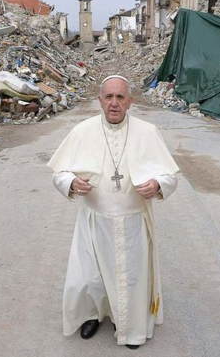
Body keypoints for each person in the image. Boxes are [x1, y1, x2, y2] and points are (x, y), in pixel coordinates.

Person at [47, 75, 179, 349]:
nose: (114, 103)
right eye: (109, 97)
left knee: (131, 277)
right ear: (100, 100)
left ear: (130, 101)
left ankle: (130, 327)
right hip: (94, 220)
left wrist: (157, 184)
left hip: (134, 222)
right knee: (91, 276)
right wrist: (70, 182)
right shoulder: (83, 131)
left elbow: (170, 176)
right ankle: (93, 315)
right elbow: (59, 173)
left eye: (120, 97)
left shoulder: (148, 132)